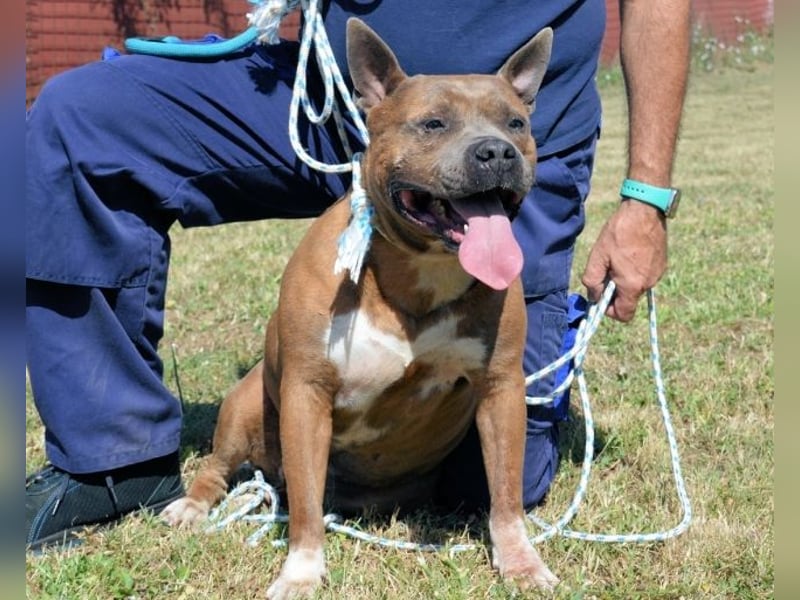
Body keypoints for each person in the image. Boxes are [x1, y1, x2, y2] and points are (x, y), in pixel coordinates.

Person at [25, 0, 690, 550]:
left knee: (484, 481)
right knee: (86, 117)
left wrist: (646, 197)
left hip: (500, 149)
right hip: (324, 94)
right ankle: (114, 463)